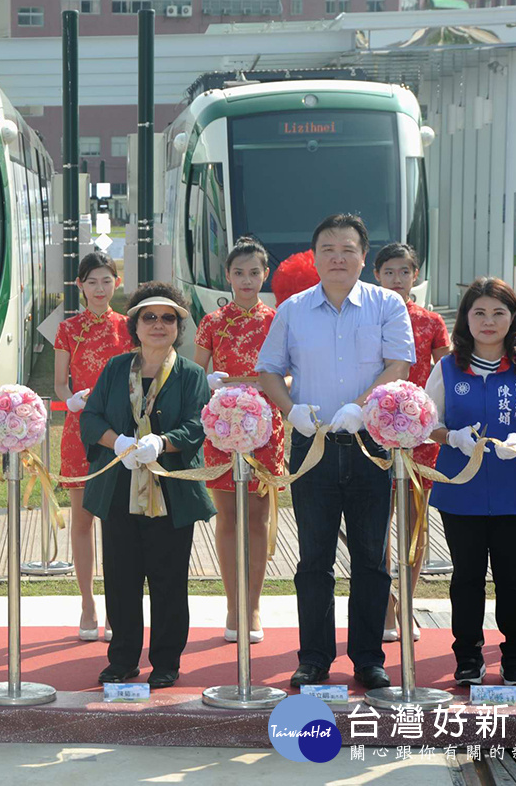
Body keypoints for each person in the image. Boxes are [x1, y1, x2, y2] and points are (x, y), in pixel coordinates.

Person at [257, 213, 415, 690]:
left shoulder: (387, 304)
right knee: (313, 557)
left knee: (371, 555)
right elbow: (268, 371)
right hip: (314, 442)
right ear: (315, 256)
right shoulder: (293, 309)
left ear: (364, 257)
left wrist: (361, 407)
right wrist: (291, 412)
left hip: (370, 443)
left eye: (348, 249)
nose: (338, 257)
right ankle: (314, 658)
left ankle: (368, 658)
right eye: (328, 248)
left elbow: (399, 365)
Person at [80, 282, 215, 688]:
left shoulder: (192, 374)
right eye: (149, 317)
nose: (159, 324)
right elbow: (91, 419)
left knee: (169, 580)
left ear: (180, 325)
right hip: (119, 489)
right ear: (135, 324)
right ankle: (122, 659)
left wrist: (163, 442)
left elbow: (196, 425)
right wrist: (117, 442)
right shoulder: (115, 368)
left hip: (171, 493)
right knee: (121, 579)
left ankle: (166, 661)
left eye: (168, 317)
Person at [426, 277, 516, 688]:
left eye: (499, 312)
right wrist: (453, 438)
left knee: (512, 578)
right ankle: (467, 657)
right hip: (460, 487)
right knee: (465, 576)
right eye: (478, 312)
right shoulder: (446, 366)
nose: (488, 321)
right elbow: (429, 422)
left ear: (514, 317)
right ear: (465, 318)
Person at [193, 237, 285, 645]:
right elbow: (194, 373)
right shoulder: (213, 322)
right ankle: (232, 604)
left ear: (265, 275)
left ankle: (253, 605)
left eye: (254, 273)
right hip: (225, 423)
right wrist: (212, 384)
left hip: (266, 426)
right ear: (227, 276)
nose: (246, 280)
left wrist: (279, 391)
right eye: (238, 273)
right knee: (228, 516)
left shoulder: (279, 320)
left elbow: (293, 371)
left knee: (258, 516)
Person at [374, 242, 452, 644]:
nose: (397, 279)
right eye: (389, 271)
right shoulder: (367, 316)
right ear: (377, 275)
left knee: (415, 525)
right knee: (377, 522)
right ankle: (384, 605)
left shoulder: (431, 321)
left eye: (405, 271)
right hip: (374, 433)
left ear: (415, 276)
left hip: (421, 433)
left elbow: (450, 370)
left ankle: (407, 601)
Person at [53, 251, 129, 642]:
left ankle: (118, 606)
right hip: (79, 431)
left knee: (118, 525)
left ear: (117, 282)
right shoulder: (69, 329)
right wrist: (72, 400)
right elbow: (59, 383)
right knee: (82, 522)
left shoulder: (130, 327)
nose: (100, 289)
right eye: (92, 281)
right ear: (79, 286)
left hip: (122, 435)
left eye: (106, 280)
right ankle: (87, 602)